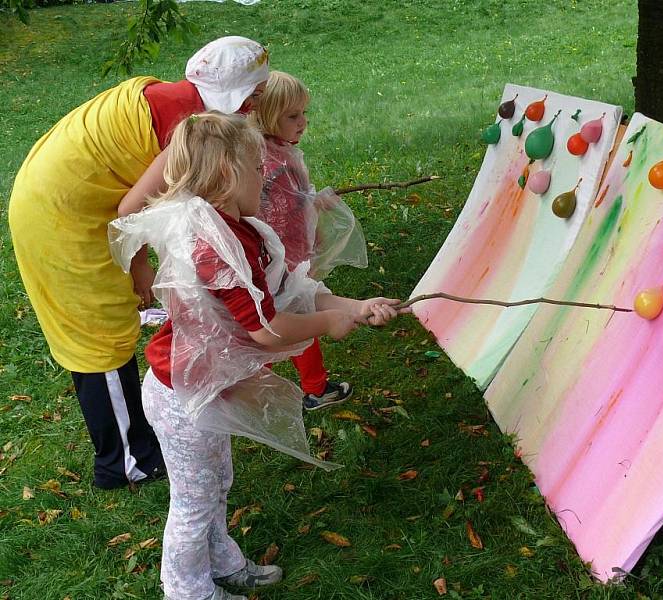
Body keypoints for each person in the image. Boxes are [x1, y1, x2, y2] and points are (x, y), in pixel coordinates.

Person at [108, 112, 401, 600]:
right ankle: (187, 592)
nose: (263, 177)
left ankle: (221, 562)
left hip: (205, 389)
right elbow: (267, 330)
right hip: (182, 397)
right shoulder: (213, 247)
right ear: (226, 176)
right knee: (193, 501)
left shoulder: (234, 228)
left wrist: (355, 306)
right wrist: (329, 323)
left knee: (217, 482)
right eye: (254, 168)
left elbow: (287, 294)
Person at [7, 36, 269, 489]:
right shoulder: (190, 129)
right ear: (243, 97)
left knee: (110, 325)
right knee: (99, 338)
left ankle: (136, 437)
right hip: (61, 215)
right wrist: (141, 267)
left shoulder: (181, 100)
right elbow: (135, 209)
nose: (258, 102)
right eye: (256, 94)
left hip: (76, 201)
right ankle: (127, 461)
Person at [248, 70, 368, 411]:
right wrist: (306, 250)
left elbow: (289, 204)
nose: (303, 122)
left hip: (278, 261)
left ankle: (273, 388)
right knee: (287, 323)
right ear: (268, 115)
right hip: (282, 263)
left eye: (304, 113)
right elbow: (278, 217)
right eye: (293, 115)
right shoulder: (274, 162)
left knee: (289, 320)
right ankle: (269, 388)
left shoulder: (268, 152)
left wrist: (311, 202)